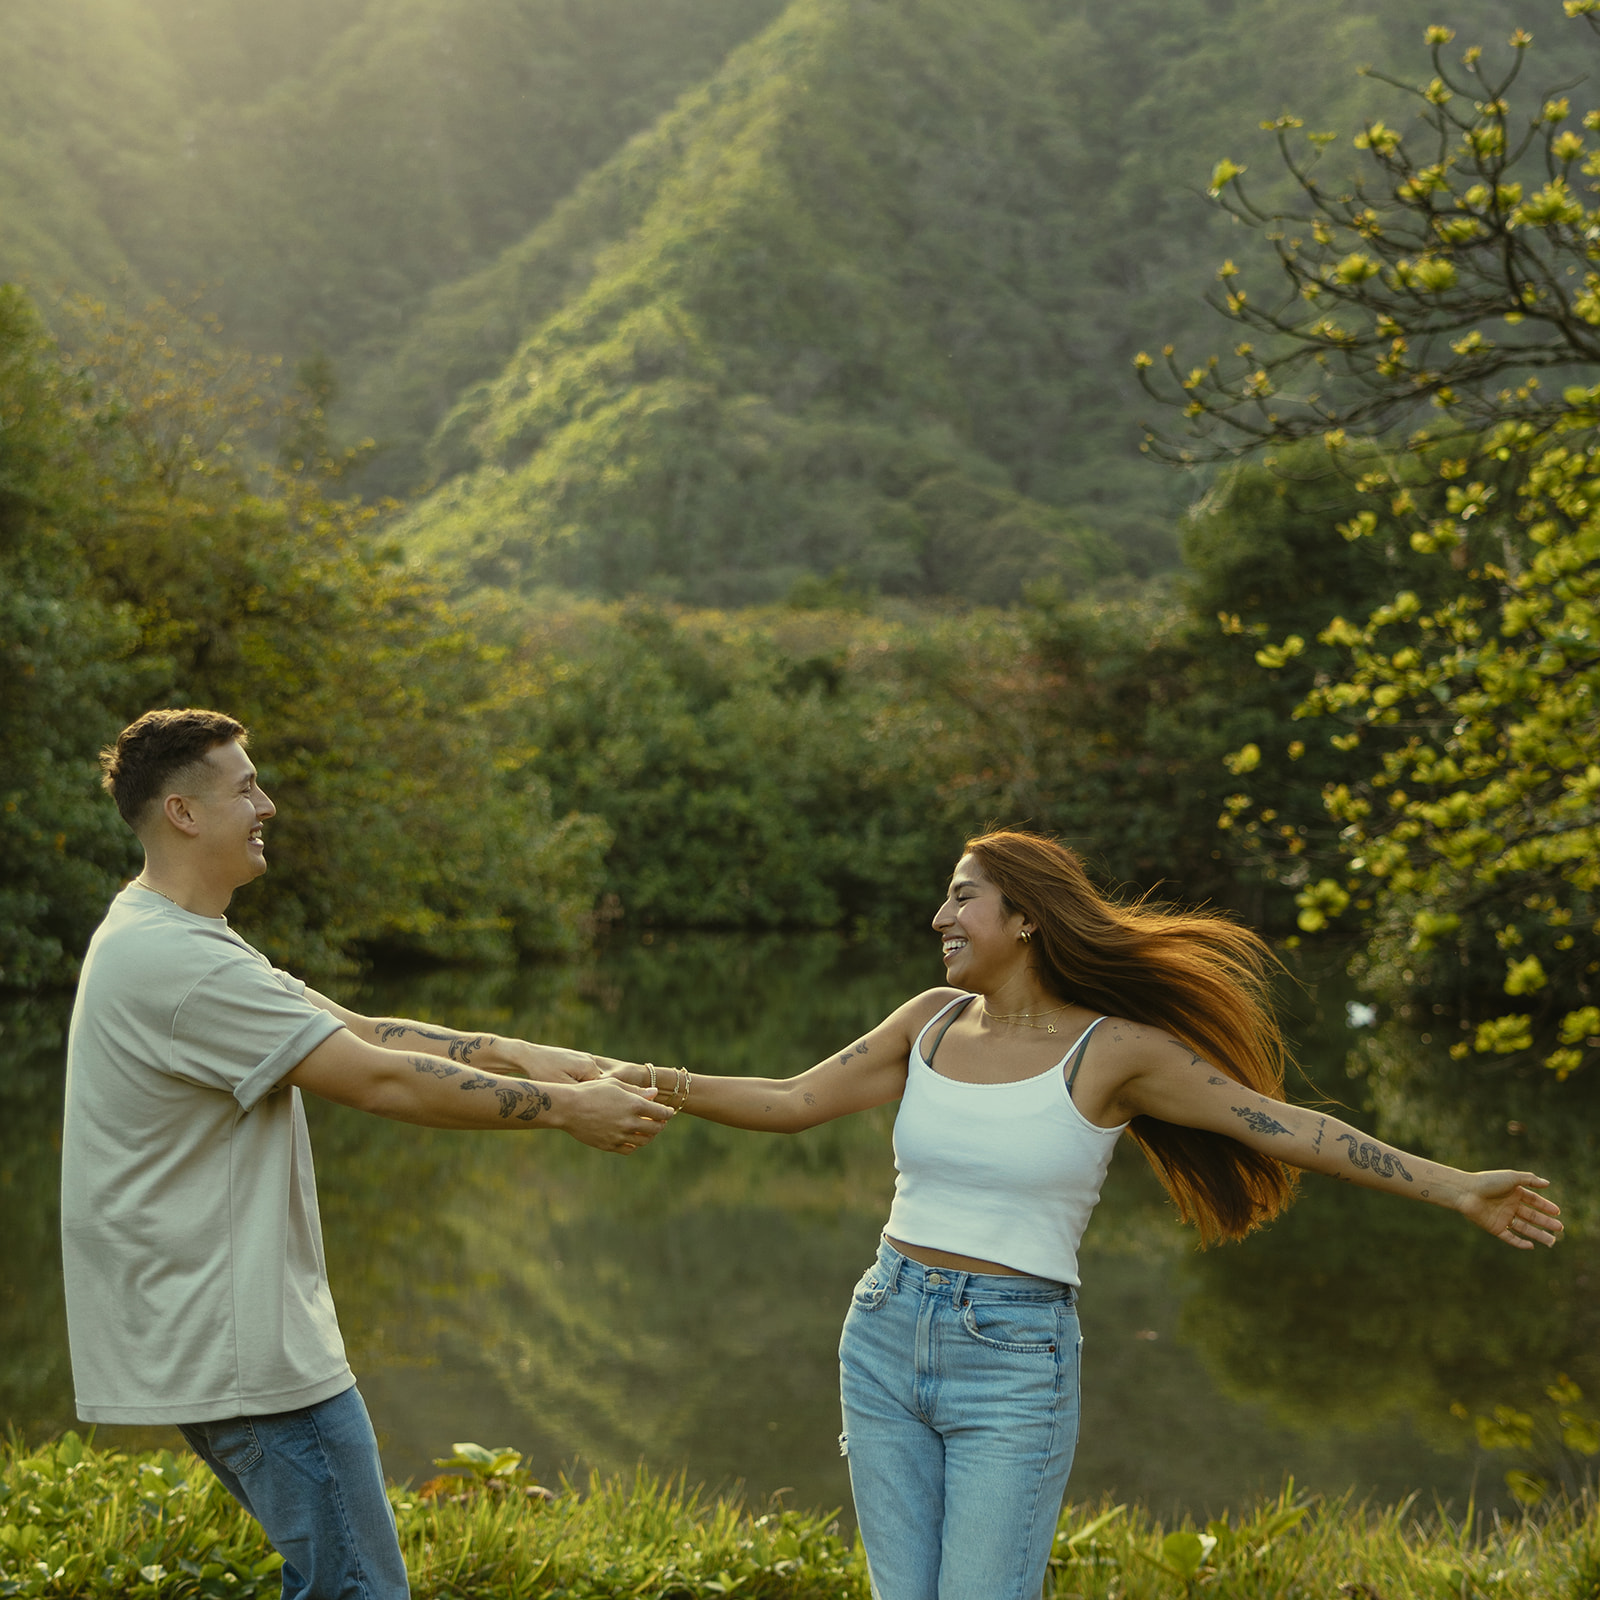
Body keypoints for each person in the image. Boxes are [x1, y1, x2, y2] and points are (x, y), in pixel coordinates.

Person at [609, 829, 1563, 1600]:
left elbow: (1287, 1128)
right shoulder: (928, 1020)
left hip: (1013, 1354)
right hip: (884, 1327)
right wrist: (641, 1080)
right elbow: (789, 1102)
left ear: (1024, 917)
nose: (940, 915)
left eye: (961, 896)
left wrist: (1455, 1185)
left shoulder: (1117, 1054)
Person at [61, 708, 670, 1600]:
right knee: (357, 1590)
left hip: (227, 1339)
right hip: (243, 1350)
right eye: (245, 788)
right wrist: (567, 1110)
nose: (266, 804)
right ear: (184, 812)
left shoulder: (179, 937)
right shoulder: (179, 964)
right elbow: (378, 1080)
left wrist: (514, 1050)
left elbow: (361, 1028)